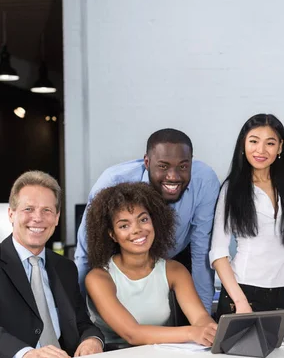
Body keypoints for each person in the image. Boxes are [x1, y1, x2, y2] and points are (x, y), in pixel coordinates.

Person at [74, 128, 220, 312]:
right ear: (147, 162)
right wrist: (78, 321)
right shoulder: (113, 181)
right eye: (163, 166)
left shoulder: (205, 181)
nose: (173, 176)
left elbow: (201, 252)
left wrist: (204, 316)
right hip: (120, 268)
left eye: (183, 166)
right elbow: (85, 253)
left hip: (175, 261)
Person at [210, 114, 284, 320]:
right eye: (253, 141)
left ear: (280, 147)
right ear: (243, 144)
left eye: (270, 143)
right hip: (242, 293)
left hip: (281, 292)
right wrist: (241, 303)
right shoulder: (231, 188)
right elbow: (218, 252)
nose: (261, 150)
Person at [84, 182, 217, 347]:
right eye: (124, 225)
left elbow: (199, 317)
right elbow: (132, 333)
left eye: (143, 219)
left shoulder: (174, 270)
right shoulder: (98, 277)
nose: (137, 230)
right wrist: (191, 332)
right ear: (112, 235)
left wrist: (209, 329)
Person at [0, 171, 104, 358]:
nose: (38, 218)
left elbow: (82, 322)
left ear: (56, 218)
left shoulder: (66, 268)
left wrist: (93, 339)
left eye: (47, 210)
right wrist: (24, 354)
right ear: (11, 214)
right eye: (28, 209)